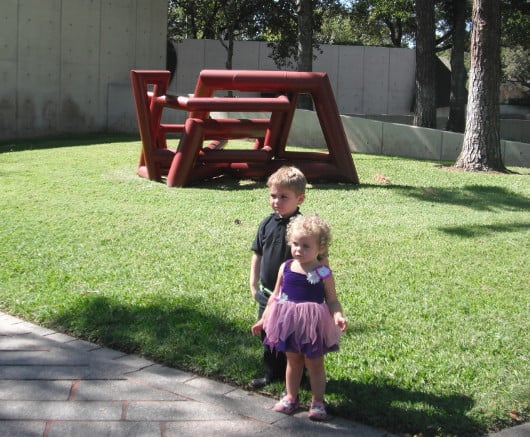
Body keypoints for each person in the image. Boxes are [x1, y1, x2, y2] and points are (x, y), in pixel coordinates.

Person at [251, 214, 347, 421]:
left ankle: (318, 401)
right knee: (293, 361)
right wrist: (263, 319)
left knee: (314, 363)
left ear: (320, 248)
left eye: (305, 246)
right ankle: (291, 397)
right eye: (295, 244)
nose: (298, 250)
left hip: (313, 324)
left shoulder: (323, 272)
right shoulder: (285, 268)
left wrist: (337, 315)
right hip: (289, 321)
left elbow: (332, 300)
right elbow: (275, 297)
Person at [249, 166, 307, 389]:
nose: (277, 201)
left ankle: (296, 377)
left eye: (284, 197)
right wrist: (253, 284)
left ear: (299, 198)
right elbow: (258, 253)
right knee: (268, 334)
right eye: (273, 195)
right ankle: (271, 372)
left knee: (292, 337)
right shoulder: (266, 223)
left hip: (293, 296)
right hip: (267, 294)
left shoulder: (302, 227)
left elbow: (317, 258)